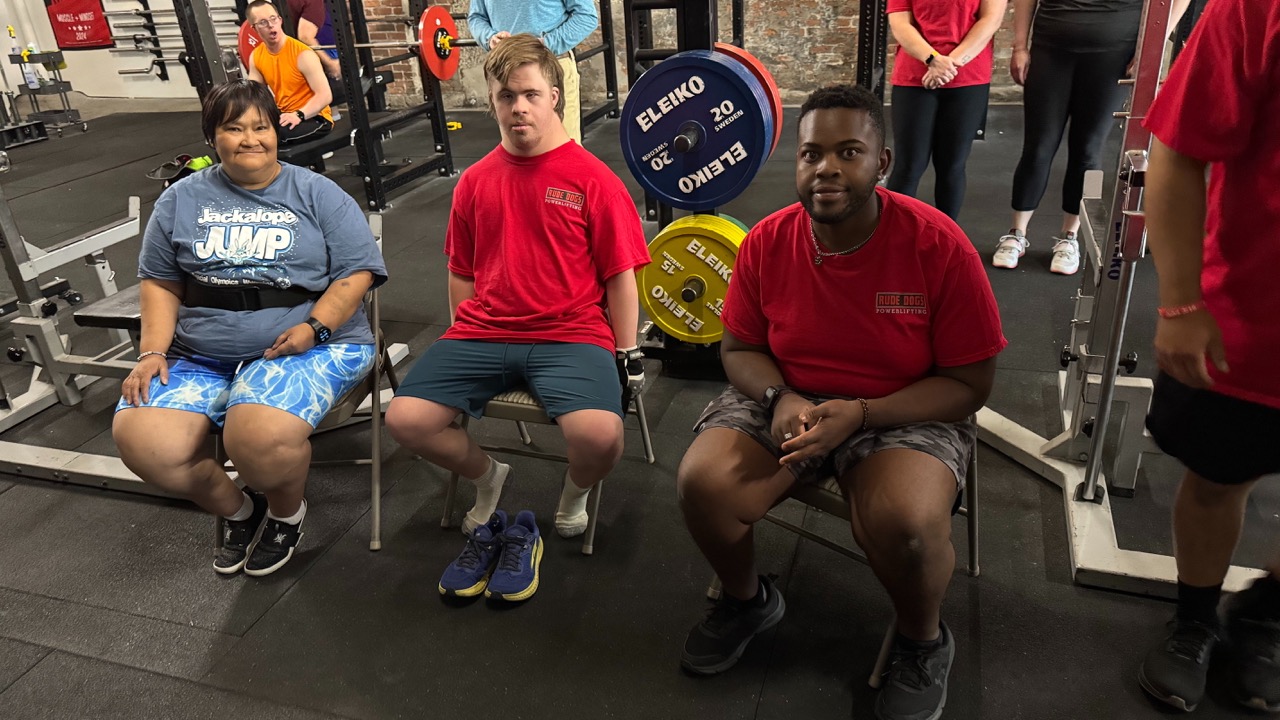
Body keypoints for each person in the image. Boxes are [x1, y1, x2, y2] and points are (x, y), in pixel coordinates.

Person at [676, 84, 1005, 720]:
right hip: (790, 394)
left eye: (848, 152)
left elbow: (970, 386)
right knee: (703, 483)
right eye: (811, 154)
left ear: (883, 163)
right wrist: (779, 396)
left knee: (905, 524)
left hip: (900, 405)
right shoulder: (767, 242)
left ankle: (922, 640)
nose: (826, 168)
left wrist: (863, 413)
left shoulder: (939, 246)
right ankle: (747, 601)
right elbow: (739, 348)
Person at [383, 35, 648, 600]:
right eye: (507, 96)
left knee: (601, 437)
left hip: (570, 333)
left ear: (555, 96)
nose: (519, 107)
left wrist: (628, 354)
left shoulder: (593, 179)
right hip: (484, 331)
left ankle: (573, 494)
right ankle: (488, 477)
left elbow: (620, 276)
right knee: (405, 419)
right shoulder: (476, 181)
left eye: (530, 94)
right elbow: (461, 270)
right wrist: (461, 332)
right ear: (492, 102)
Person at [112, 80, 387, 577]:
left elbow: (357, 273)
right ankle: (241, 511)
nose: (250, 139)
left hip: (306, 343)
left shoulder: (316, 192)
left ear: (276, 132)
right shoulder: (180, 199)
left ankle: (286, 514)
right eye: (233, 128)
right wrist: (151, 352)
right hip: (199, 350)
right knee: (144, 444)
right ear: (211, 137)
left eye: (261, 127)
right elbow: (160, 282)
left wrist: (315, 329)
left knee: (257, 442)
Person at [1135, 0, 1280, 713]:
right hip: (1250, 315)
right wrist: (1181, 303)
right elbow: (1178, 145)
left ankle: (1267, 613)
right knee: (1219, 478)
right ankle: (1195, 618)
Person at [991, 0, 1145, 275]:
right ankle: (1016, 233)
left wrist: (1151, 46)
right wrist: (1020, 46)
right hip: (1051, 48)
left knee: (1090, 150)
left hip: (1115, 53)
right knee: (1038, 146)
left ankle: (1071, 236)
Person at [885, 0, 1006, 221]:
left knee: (952, 165)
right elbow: (900, 23)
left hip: (967, 78)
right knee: (909, 165)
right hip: (915, 77)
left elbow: (991, 20)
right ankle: (893, 235)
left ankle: (947, 236)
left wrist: (949, 64)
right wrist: (932, 59)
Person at [467, 0, 598, 144]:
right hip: (505, 69)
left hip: (549, 65)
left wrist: (544, 45)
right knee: (517, 145)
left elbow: (586, 17)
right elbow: (476, 17)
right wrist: (490, 38)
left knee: (562, 147)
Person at [245, 0, 334, 144]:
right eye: (263, 22)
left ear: (280, 20)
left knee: (271, 137)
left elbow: (325, 95)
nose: (270, 25)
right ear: (254, 29)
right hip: (286, 115)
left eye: (273, 19)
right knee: (243, 133)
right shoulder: (256, 56)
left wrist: (299, 115)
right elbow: (254, 95)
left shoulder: (303, 54)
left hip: (314, 117)